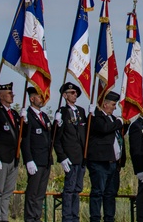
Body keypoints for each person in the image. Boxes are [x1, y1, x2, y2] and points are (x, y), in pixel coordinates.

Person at [88, 91, 125, 222]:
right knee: (98, 192)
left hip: (113, 163)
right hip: (100, 162)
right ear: (105, 104)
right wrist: (119, 122)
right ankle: (95, 218)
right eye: (113, 104)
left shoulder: (113, 119)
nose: (115, 107)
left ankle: (109, 218)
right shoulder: (96, 117)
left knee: (110, 194)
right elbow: (104, 128)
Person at [54, 82, 88, 222]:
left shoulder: (81, 111)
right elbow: (56, 139)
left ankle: (75, 217)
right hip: (69, 157)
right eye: (72, 93)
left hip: (81, 157)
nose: (75, 95)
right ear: (65, 95)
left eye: (75, 93)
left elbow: (84, 133)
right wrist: (62, 157)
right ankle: (67, 218)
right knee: (69, 189)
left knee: (77, 189)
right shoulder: (61, 112)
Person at [0, 82, 21, 222]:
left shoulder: (14, 113)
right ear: (1, 95)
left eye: (12, 93)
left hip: (13, 157)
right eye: (9, 93)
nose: (12, 95)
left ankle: (4, 217)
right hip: (1, 158)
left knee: (8, 192)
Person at [20, 86, 53, 222]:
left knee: (40, 193)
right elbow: (25, 139)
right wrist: (28, 159)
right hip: (35, 160)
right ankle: (29, 217)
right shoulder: (27, 115)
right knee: (32, 192)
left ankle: (36, 217)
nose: (42, 99)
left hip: (45, 160)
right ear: (32, 99)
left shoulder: (44, 116)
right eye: (39, 96)